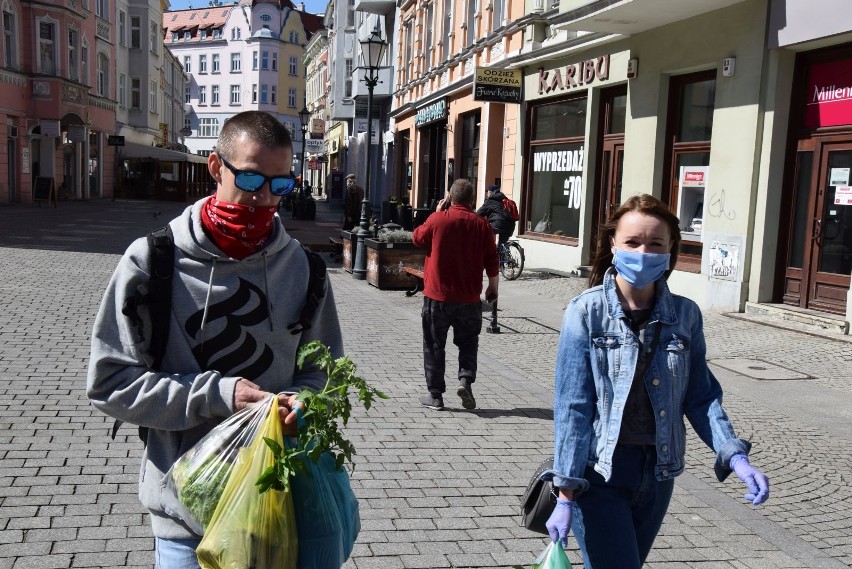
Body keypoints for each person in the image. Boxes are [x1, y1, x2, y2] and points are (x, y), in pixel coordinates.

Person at [86, 110, 344, 568]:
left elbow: (322, 373)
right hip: (186, 515)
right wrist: (222, 395)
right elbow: (111, 383)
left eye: (280, 185)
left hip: (278, 507)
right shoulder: (151, 262)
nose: (264, 197)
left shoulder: (305, 270)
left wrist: (303, 404)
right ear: (215, 167)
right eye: (249, 178)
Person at [543, 194, 769, 569]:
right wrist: (565, 492)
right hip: (599, 474)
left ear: (670, 251)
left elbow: (700, 396)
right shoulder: (586, 311)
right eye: (632, 242)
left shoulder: (685, 315)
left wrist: (735, 455)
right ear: (613, 244)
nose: (643, 252)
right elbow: (573, 406)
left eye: (655, 244)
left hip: (659, 473)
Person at [412, 178, 499, 411]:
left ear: (450, 197)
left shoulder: (438, 219)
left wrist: (435, 213)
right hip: (469, 299)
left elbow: (417, 238)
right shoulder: (482, 225)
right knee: (469, 343)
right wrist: (493, 287)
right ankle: (465, 381)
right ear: (472, 200)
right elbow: (492, 259)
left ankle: (436, 395)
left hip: (437, 297)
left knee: (434, 344)